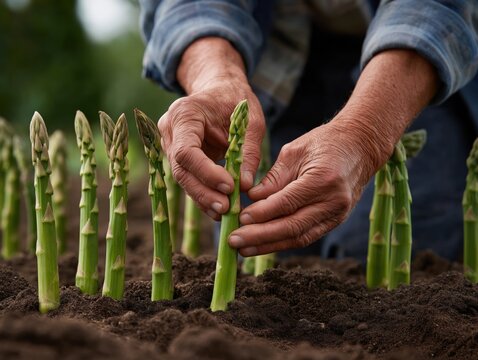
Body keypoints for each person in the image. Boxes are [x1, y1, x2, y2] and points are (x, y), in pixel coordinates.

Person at [139, 0, 478, 262]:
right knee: (256, 256)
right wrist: (216, 78)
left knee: (382, 253)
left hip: (416, 68)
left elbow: (438, 8)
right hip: (275, 63)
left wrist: (365, 131)